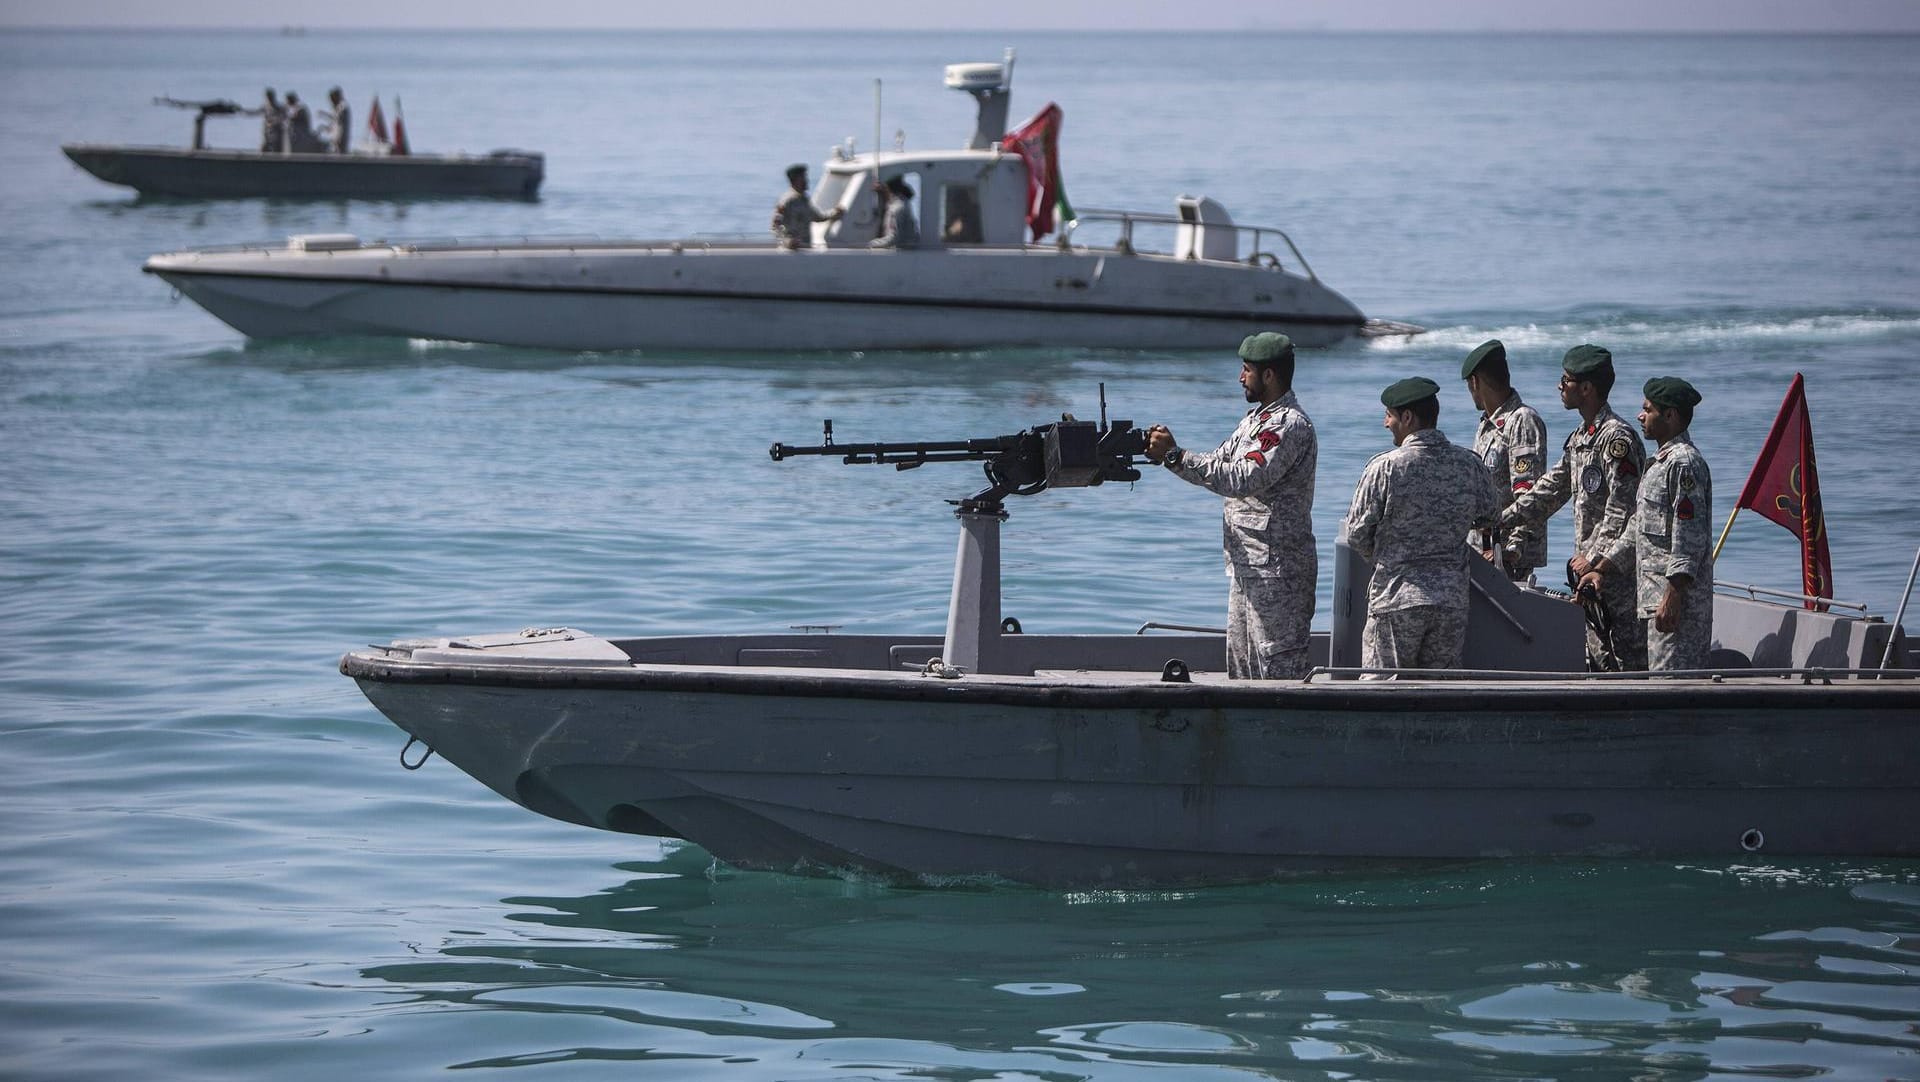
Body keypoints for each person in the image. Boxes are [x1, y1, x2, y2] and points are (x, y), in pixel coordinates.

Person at [1144, 332, 1317, 679]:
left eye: (1246, 370)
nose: (1241, 378)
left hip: (1277, 572)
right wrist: (1169, 455)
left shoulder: (1288, 426)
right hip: (1248, 567)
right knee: (1242, 669)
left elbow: (1242, 479)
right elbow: (1218, 462)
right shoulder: (1256, 421)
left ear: (1268, 375)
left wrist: (1177, 456)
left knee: (1277, 670)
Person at [1502, 344, 1648, 670]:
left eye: (1566, 380)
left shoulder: (1615, 440)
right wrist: (1502, 520)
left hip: (1617, 575)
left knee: (1629, 666)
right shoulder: (1581, 438)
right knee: (1598, 664)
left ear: (1586, 388)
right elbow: (1550, 490)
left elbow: (1622, 509)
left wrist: (1594, 557)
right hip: (1590, 576)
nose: (1559, 386)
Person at [1344, 377, 1503, 672]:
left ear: (1407, 417)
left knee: (1384, 691)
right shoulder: (1469, 464)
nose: (1385, 423)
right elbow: (1492, 515)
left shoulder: (1385, 468)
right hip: (1450, 602)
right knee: (1440, 697)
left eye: (1389, 415)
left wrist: (1383, 558)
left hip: (1396, 599)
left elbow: (1356, 534)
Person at [1580, 378, 1713, 671]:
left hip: (1677, 610)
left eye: (1647, 409)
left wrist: (1674, 595)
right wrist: (1600, 568)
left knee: (1674, 695)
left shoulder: (1684, 464)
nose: (1640, 416)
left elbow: (1688, 537)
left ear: (1670, 416)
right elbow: (1637, 529)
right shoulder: (1660, 464)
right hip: (1654, 604)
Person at [1460, 339, 1549, 580]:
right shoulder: (1488, 426)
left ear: (1475, 382)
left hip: (1506, 560)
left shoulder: (1521, 421)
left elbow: (1530, 496)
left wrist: (1513, 551)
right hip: (1483, 553)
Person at [771, 164, 841, 250]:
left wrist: (835, 213)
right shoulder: (787, 201)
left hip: (805, 249)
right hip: (791, 251)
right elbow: (775, 225)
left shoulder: (804, 200)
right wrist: (787, 242)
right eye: (803, 178)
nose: (806, 181)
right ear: (794, 181)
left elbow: (818, 217)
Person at [870, 176, 920, 249]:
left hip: (904, 255)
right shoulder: (903, 203)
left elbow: (893, 238)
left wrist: (868, 244)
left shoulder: (897, 208)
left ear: (887, 188)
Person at [323, 86, 351, 154]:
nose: (331, 102)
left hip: (340, 140)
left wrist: (324, 114)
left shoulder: (342, 107)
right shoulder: (338, 107)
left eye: (332, 99)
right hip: (336, 140)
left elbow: (338, 120)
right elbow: (335, 121)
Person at [257, 88, 286, 153]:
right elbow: (255, 112)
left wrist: (273, 122)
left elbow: (284, 117)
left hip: (277, 135)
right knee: (263, 149)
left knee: (276, 151)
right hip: (267, 134)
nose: (269, 99)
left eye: (270, 97)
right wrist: (242, 110)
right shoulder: (265, 107)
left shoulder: (279, 108)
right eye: (268, 97)